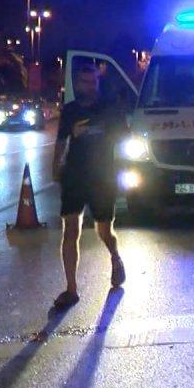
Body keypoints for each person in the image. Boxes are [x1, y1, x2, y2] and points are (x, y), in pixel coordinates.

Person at [50, 64, 129, 309]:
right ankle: (71, 289)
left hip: (102, 178)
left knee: (104, 230)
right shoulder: (70, 110)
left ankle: (115, 256)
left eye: (93, 81)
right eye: (84, 82)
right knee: (70, 230)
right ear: (77, 84)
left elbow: (124, 137)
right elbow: (61, 141)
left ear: (98, 82)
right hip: (75, 176)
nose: (89, 86)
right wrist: (56, 167)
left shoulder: (109, 108)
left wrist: (105, 134)